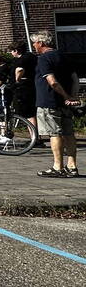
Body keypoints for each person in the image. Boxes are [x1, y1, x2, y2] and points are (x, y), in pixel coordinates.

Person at [32, 30, 81, 178]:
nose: (34, 45)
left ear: (41, 43)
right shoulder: (63, 56)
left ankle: (57, 167)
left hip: (49, 101)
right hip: (64, 103)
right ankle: (72, 166)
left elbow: (52, 81)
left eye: (34, 42)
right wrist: (72, 96)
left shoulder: (44, 58)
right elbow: (75, 78)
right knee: (68, 133)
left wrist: (66, 95)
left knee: (55, 134)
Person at [7, 40, 37, 131]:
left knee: (28, 114)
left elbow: (19, 69)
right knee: (31, 113)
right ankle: (35, 136)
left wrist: (17, 80)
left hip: (23, 89)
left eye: (12, 51)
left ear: (16, 50)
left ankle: (34, 137)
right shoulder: (32, 57)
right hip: (32, 87)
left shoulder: (22, 59)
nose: (11, 53)